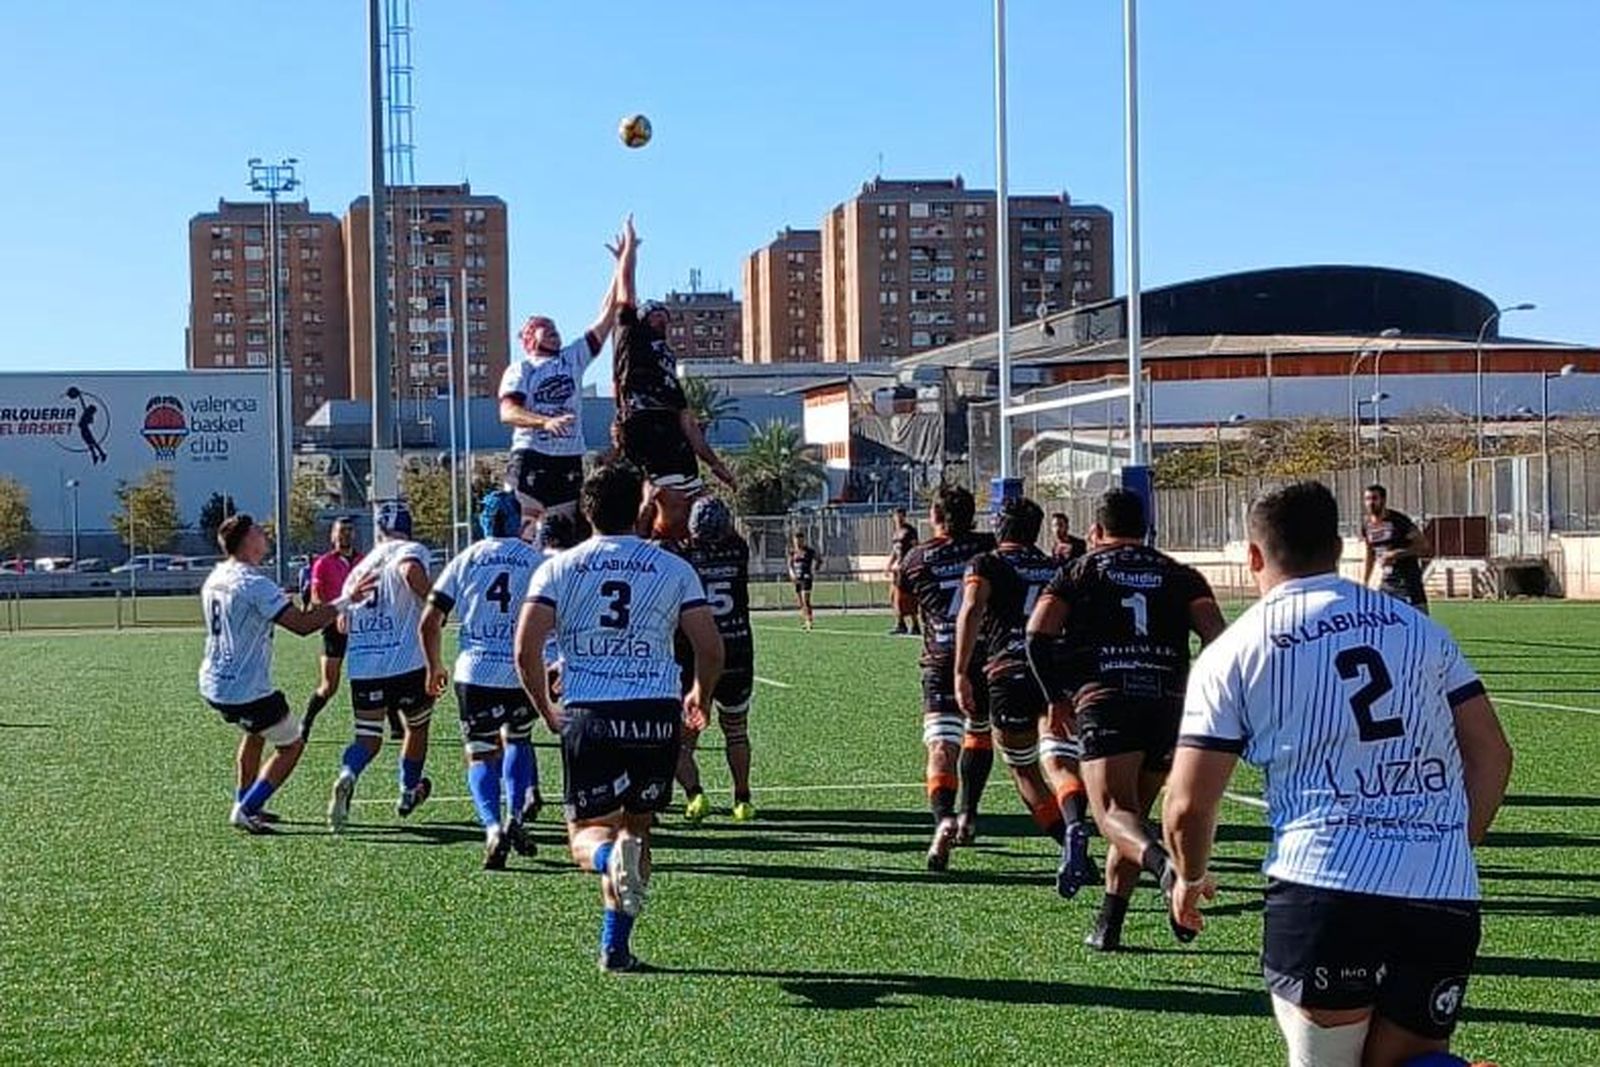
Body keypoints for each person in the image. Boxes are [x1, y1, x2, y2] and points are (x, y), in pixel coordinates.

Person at [1164, 480, 1512, 1067]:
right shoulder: (1417, 629)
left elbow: (1187, 804)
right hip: (1439, 888)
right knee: (1412, 1063)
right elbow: (1492, 755)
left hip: (1324, 885)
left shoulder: (1236, 649)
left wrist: (1189, 874)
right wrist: (1450, 845)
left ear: (1253, 556)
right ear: (1342, 547)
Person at [515, 463, 724, 973]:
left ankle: (610, 864)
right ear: (640, 508)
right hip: (655, 714)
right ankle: (616, 947)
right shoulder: (673, 568)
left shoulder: (559, 568)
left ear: (586, 512)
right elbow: (711, 647)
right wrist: (700, 693)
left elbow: (525, 649)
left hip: (591, 711)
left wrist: (546, 707)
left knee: (588, 836)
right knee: (637, 830)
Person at [1025, 488, 1225, 949]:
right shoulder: (1180, 574)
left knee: (1114, 813)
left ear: (1096, 531)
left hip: (1107, 698)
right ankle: (1109, 924)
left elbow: (1037, 634)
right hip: (1169, 702)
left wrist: (1054, 697)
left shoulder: (1080, 569)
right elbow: (1217, 637)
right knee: (1134, 817)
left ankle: (1168, 869)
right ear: (1146, 531)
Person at [954, 496, 1094, 894]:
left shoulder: (987, 564)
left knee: (1023, 768)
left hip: (1009, 673)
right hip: (1053, 674)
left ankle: (1066, 838)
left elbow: (971, 610)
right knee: (1060, 761)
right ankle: (1076, 824)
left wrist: (961, 671)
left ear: (1001, 526)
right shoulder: (1054, 566)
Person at [198, 514, 371, 833]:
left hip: (213, 681)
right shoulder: (254, 583)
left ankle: (247, 801)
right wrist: (349, 600)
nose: (265, 536)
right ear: (247, 542)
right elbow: (303, 626)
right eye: (259, 532)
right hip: (244, 688)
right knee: (291, 744)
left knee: (255, 733)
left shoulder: (216, 576)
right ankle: (247, 808)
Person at [419, 491, 547, 869]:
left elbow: (429, 621)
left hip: (474, 672)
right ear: (516, 521)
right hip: (519, 668)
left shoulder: (466, 558)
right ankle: (515, 817)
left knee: (478, 751)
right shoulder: (533, 559)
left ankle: (491, 827)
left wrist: (434, 666)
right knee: (519, 739)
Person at [895, 484, 999, 870]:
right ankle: (970, 814)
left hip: (941, 661)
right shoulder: (988, 547)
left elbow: (903, 606)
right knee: (979, 733)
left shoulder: (917, 558)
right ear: (972, 516)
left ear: (935, 517)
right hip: (986, 657)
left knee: (941, 747)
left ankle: (944, 820)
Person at [327, 500, 437, 831]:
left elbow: (342, 625)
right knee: (416, 727)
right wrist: (436, 605)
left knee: (367, 739)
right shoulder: (411, 549)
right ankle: (407, 791)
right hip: (406, 663)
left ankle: (348, 774)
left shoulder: (358, 570)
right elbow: (409, 571)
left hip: (364, 668)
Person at [611, 215, 736, 496]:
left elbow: (687, 422)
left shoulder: (667, 359)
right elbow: (627, 290)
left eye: (665, 318)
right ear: (642, 320)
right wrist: (629, 252)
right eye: (655, 316)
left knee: (696, 496)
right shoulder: (632, 339)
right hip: (643, 422)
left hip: (671, 430)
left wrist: (715, 465)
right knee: (659, 496)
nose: (662, 321)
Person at [498, 240, 622, 523]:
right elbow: (508, 412)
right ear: (529, 338)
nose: (554, 331)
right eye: (546, 328)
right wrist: (544, 421)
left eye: (555, 327)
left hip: (568, 457)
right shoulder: (522, 369)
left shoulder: (572, 358)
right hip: (531, 454)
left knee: (563, 531)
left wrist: (620, 267)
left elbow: (605, 316)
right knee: (523, 528)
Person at [666, 496, 758, 823]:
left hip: (695, 654)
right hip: (737, 651)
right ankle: (742, 798)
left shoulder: (681, 556)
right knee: (736, 730)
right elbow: (730, 534)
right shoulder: (739, 552)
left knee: (681, 739)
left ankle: (695, 793)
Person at [301, 517, 363, 741]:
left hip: (362, 627)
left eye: (349, 531)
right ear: (332, 536)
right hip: (333, 627)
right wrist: (335, 613)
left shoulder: (364, 561)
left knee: (377, 675)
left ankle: (394, 724)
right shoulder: (323, 563)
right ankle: (306, 722)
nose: (345, 535)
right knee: (329, 685)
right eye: (341, 531)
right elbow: (317, 596)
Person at [1361, 483, 1431, 614]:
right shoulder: (1367, 525)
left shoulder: (1399, 521)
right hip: (1386, 585)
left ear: (1383, 500)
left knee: (1419, 624)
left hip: (1408, 583)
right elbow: (1370, 553)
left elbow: (1424, 546)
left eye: (1374, 498)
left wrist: (1397, 554)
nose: (1370, 503)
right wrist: (1365, 581)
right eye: (1367, 499)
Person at [886, 507, 922, 636]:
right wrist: (889, 564)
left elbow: (916, 548)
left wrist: (910, 563)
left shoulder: (909, 531)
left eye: (900, 515)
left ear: (904, 516)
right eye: (895, 516)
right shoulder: (896, 532)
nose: (897, 518)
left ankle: (914, 624)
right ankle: (901, 623)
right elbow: (895, 551)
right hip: (898, 570)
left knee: (906, 597)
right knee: (892, 596)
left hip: (906, 569)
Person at [787, 531, 822, 632]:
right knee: (800, 602)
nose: (798, 542)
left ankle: (809, 621)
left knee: (806, 600)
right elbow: (789, 564)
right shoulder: (792, 552)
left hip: (806, 578)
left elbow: (819, 560)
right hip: (796, 579)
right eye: (796, 540)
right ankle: (804, 619)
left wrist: (815, 570)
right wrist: (791, 573)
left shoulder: (809, 551)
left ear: (803, 540)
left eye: (800, 540)